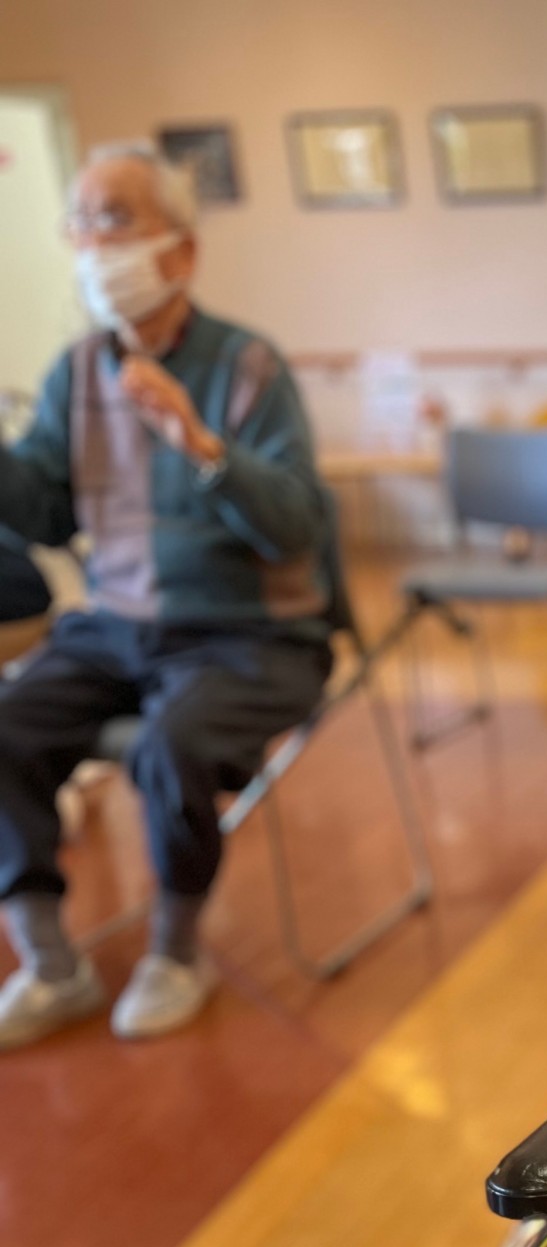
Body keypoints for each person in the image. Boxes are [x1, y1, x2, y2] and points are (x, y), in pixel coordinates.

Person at [0, 141, 332, 1049]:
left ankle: (176, 953)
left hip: (254, 634)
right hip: (117, 626)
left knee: (170, 744)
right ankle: (50, 963)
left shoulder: (247, 367)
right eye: (80, 222)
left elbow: (297, 526)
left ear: (180, 251)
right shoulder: (76, 371)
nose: (93, 242)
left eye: (116, 218)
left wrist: (201, 445)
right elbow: (41, 510)